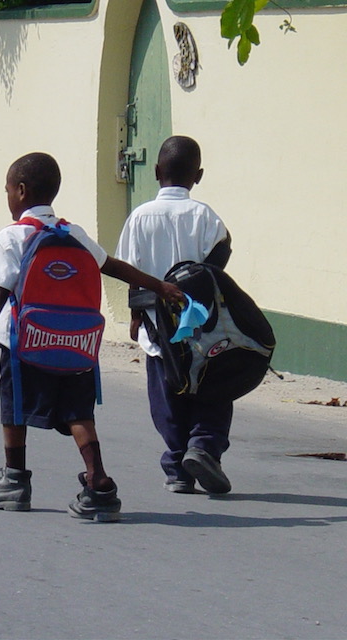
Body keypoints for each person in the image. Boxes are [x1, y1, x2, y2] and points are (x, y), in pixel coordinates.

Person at [0, 151, 183, 520]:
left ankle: (14, 481)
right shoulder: (73, 233)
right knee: (79, 411)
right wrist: (158, 285)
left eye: (7, 191)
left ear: (20, 190)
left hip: (22, 344)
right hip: (75, 343)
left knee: (14, 408)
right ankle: (97, 481)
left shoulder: (12, 236)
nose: (7, 199)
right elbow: (112, 266)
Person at [115, 135, 234, 495]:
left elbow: (130, 271)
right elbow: (219, 262)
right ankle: (204, 447)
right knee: (212, 388)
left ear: (155, 171)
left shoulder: (138, 217)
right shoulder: (205, 216)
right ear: (197, 176)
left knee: (166, 394)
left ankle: (178, 463)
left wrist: (135, 317)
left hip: (156, 326)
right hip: (201, 325)